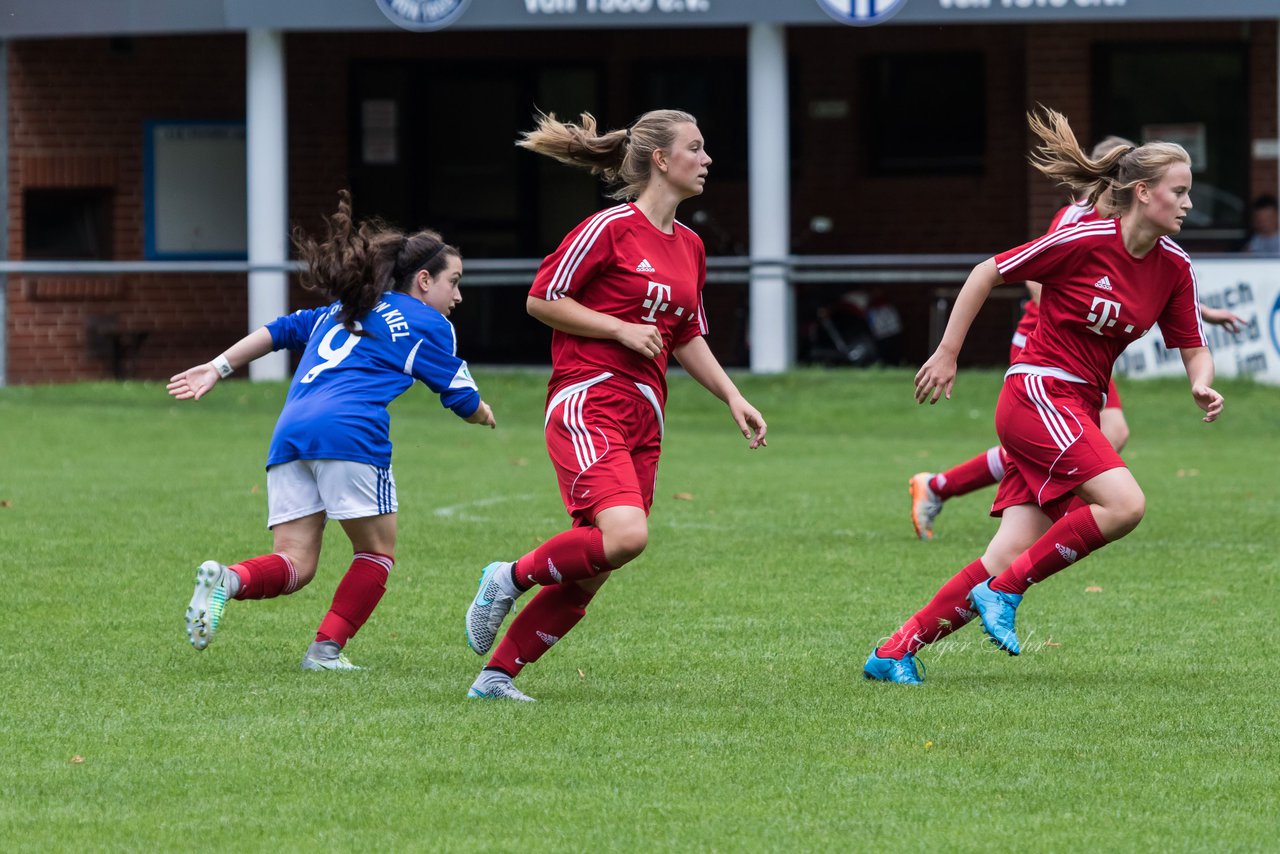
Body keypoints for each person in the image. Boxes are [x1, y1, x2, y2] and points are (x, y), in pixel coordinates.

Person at [865, 107, 1222, 684]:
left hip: (1075, 403)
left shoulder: (1175, 267)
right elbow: (988, 271)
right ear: (1141, 192)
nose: (1187, 203)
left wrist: (1200, 381)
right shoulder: (1082, 238)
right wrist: (948, 352)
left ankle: (893, 652)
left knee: (1008, 551)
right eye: (1178, 192)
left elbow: (1191, 344)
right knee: (1125, 504)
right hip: (1038, 391)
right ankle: (1003, 595)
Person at [462, 110, 769, 702]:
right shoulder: (609, 229)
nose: (707, 160)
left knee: (597, 566)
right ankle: (506, 577)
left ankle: (495, 679)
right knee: (627, 535)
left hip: (645, 417)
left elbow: (687, 335)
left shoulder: (692, 247)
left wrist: (733, 396)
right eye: (696, 149)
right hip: (589, 400)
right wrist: (619, 330)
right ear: (661, 159)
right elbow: (542, 299)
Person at [169, 191, 496, 671]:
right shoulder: (426, 321)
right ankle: (324, 652)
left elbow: (280, 330)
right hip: (350, 434)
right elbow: (462, 400)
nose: (459, 295)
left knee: (295, 564)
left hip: (291, 432)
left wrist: (218, 367)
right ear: (424, 281)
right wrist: (484, 412)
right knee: (376, 552)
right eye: (455, 282)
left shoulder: (348, 306)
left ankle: (228, 581)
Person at [908, 136, 1243, 541]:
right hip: (1045, 345)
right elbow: (1033, 275)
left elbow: (1138, 289)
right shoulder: (1077, 222)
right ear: (1133, 187)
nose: (1185, 203)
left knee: (1081, 440)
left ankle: (954, 493)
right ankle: (964, 492)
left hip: (1090, 354)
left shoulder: (1148, 243)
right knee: (1092, 437)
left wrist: (1201, 314)